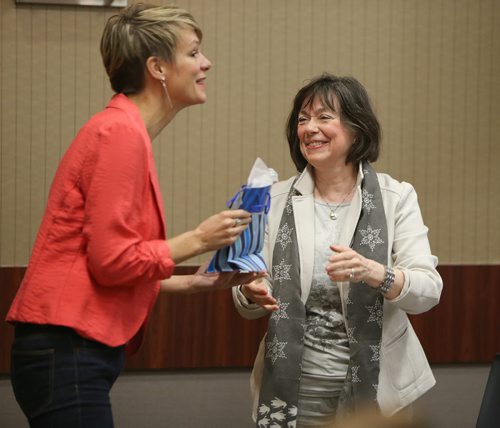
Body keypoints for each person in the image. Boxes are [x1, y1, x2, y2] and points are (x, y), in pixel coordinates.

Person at [6, 4, 262, 427]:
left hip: (67, 347)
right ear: (158, 67)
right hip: (66, 346)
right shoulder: (120, 134)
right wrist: (199, 238)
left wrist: (190, 284)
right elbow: (111, 263)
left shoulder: (124, 130)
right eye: (194, 52)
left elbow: (104, 264)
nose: (206, 62)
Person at [232, 74, 443, 427]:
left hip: (380, 388)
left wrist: (376, 272)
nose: (310, 128)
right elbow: (247, 294)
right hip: (294, 388)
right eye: (303, 119)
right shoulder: (271, 200)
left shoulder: (396, 197)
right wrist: (249, 292)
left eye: (324, 117)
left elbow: (427, 291)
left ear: (357, 130)